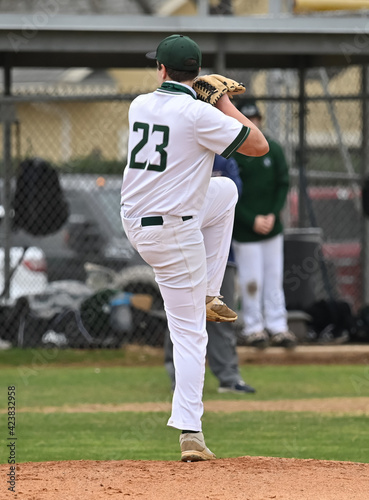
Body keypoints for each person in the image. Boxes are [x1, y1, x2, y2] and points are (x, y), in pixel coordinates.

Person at [120, 35, 268, 462]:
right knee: (189, 333)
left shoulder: (139, 105)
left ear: (162, 71)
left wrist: (201, 97)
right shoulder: (200, 114)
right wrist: (220, 101)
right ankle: (191, 432)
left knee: (223, 192)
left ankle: (209, 290)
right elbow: (258, 145)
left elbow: (180, 115)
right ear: (196, 73)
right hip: (173, 233)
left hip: (136, 223)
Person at [164, 154, 256, 395]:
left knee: (217, 312)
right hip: (183, 250)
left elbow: (234, 193)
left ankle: (228, 376)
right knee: (180, 314)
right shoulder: (180, 156)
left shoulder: (223, 162)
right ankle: (179, 378)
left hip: (217, 255)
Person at [232, 99, 297, 350]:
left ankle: (278, 326)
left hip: (271, 228)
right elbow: (229, 193)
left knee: (273, 278)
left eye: (255, 119)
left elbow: (283, 183)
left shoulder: (273, 148)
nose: (253, 123)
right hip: (246, 230)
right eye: (247, 119)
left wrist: (272, 213)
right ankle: (253, 328)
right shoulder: (232, 150)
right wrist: (252, 219)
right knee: (251, 280)